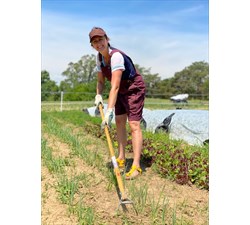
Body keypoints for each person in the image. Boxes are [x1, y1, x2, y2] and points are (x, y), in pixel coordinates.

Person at [89, 27, 146, 179]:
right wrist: (98, 95)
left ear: (107, 39)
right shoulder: (99, 58)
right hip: (120, 89)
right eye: (95, 42)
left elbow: (114, 86)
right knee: (120, 122)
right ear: (92, 45)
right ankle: (121, 158)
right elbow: (101, 81)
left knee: (134, 125)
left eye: (101, 39)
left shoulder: (116, 57)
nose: (99, 43)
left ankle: (136, 165)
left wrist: (109, 111)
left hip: (133, 88)